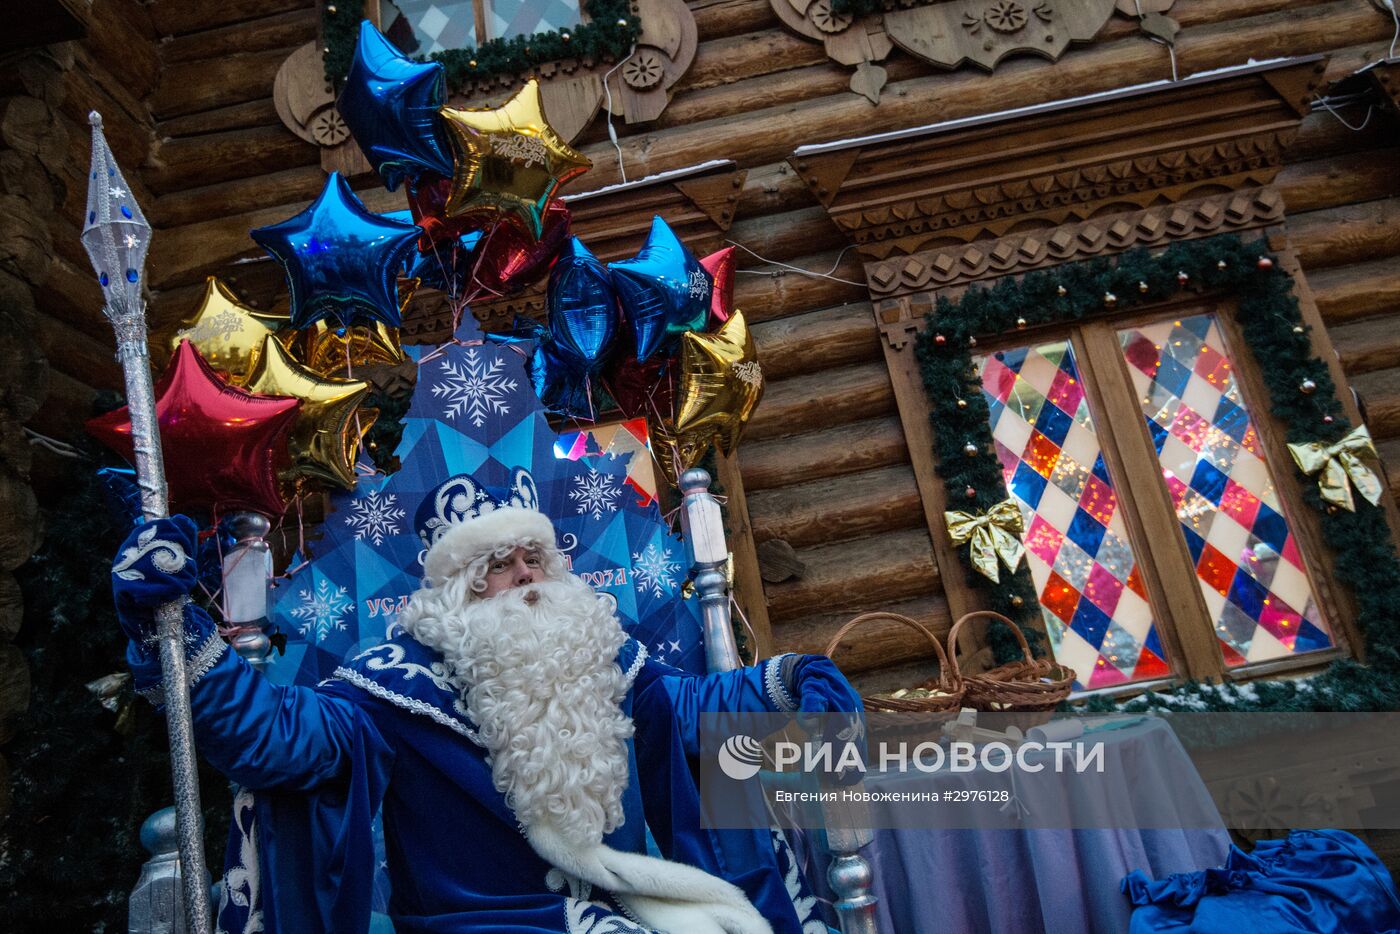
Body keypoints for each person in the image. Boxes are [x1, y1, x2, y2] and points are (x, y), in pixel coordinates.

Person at [112, 497, 863, 934]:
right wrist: (177, 634)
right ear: (458, 591)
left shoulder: (602, 657)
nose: (525, 577)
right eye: (499, 565)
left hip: (627, 909)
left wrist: (786, 684)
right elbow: (275, 741)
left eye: (534, 559)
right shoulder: (389, 689)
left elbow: (696, 712)